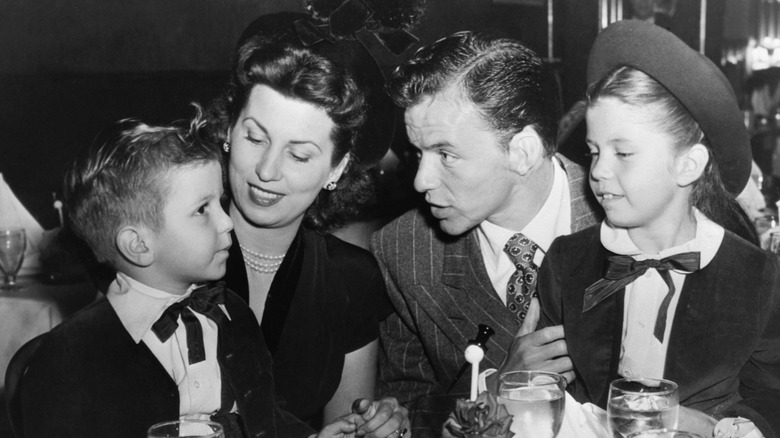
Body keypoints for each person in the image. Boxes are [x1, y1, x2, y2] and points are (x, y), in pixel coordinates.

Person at [20, 112, 373, 438]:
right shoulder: (71, 355)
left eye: (220, 203)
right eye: (202, 210)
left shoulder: (230, 313)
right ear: (138, 245)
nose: (226, 221)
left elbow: (264, 417)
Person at [538, 20, 780, 437]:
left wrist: (723, 428)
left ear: (688, 164)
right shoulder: (567, 261)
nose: (598, 171)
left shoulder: (758, 278)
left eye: (624, 152)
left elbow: (771, 397)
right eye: (594, 151)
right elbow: (554, 389)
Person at [370, 30, 603, 426]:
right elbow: (409, 415)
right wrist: (496, 390)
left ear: (522, 152)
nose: (421, 181)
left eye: (445, 154)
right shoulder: (403, 251)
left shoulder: (625, 220)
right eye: (417, 153)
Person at [207, 18, 409, 437]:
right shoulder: (165, 249)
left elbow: (343, 426)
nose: (266, 170)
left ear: (336, 168)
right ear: (228, 130)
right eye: (255, 138)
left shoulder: (351, 279)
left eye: (298, 156)